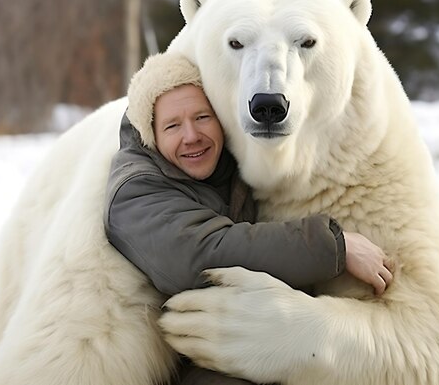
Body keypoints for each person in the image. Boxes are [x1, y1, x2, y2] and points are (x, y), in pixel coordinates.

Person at [104, 52, 394, 385]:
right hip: (187, 357)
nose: (191, 135)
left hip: (247, 334)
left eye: (202, 117)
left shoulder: (229, 160)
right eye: (173, 125)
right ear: (151, 134)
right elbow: (200, 254)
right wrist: (335, 248)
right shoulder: (136, 188)